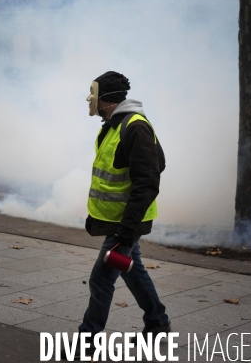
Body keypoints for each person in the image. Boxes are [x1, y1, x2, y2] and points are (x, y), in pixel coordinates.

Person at [71, 71, 170, 358]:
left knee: (101, 278)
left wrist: (128, 230)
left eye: (95, 94)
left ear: (107, 100)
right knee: (132, 269)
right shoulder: (113, 125)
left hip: (127, 222)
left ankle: (87, 341)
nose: (90, 99)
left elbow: (149, 179)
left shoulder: (134, 127)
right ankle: (157, 322)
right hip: (119, 220)